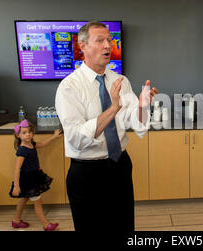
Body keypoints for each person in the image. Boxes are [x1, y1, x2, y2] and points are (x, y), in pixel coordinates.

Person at [55, 21, 158, 232]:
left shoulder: (120, 80)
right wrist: (113, 108)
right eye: (99, 40)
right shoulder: (69, 87)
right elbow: (75, 138)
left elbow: (137, 126)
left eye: (109, 40)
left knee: (123, 225)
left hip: (119, 165)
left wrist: (142, 106)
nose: (107, 46)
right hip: (87, 173)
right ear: (82, 46)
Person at [9, 119, 63, 231]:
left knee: (24, 199)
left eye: (29, 132)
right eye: (24, 133)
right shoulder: (22, 150)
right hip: (28, 179)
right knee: (38, 201)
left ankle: (16, 220)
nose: (28, 134)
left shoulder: (31, 144)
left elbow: (42, 144)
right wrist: (16, 185)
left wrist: (54, 136)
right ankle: (46, 224)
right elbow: (17, 169)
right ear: (18, 135)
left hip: (33, 176)